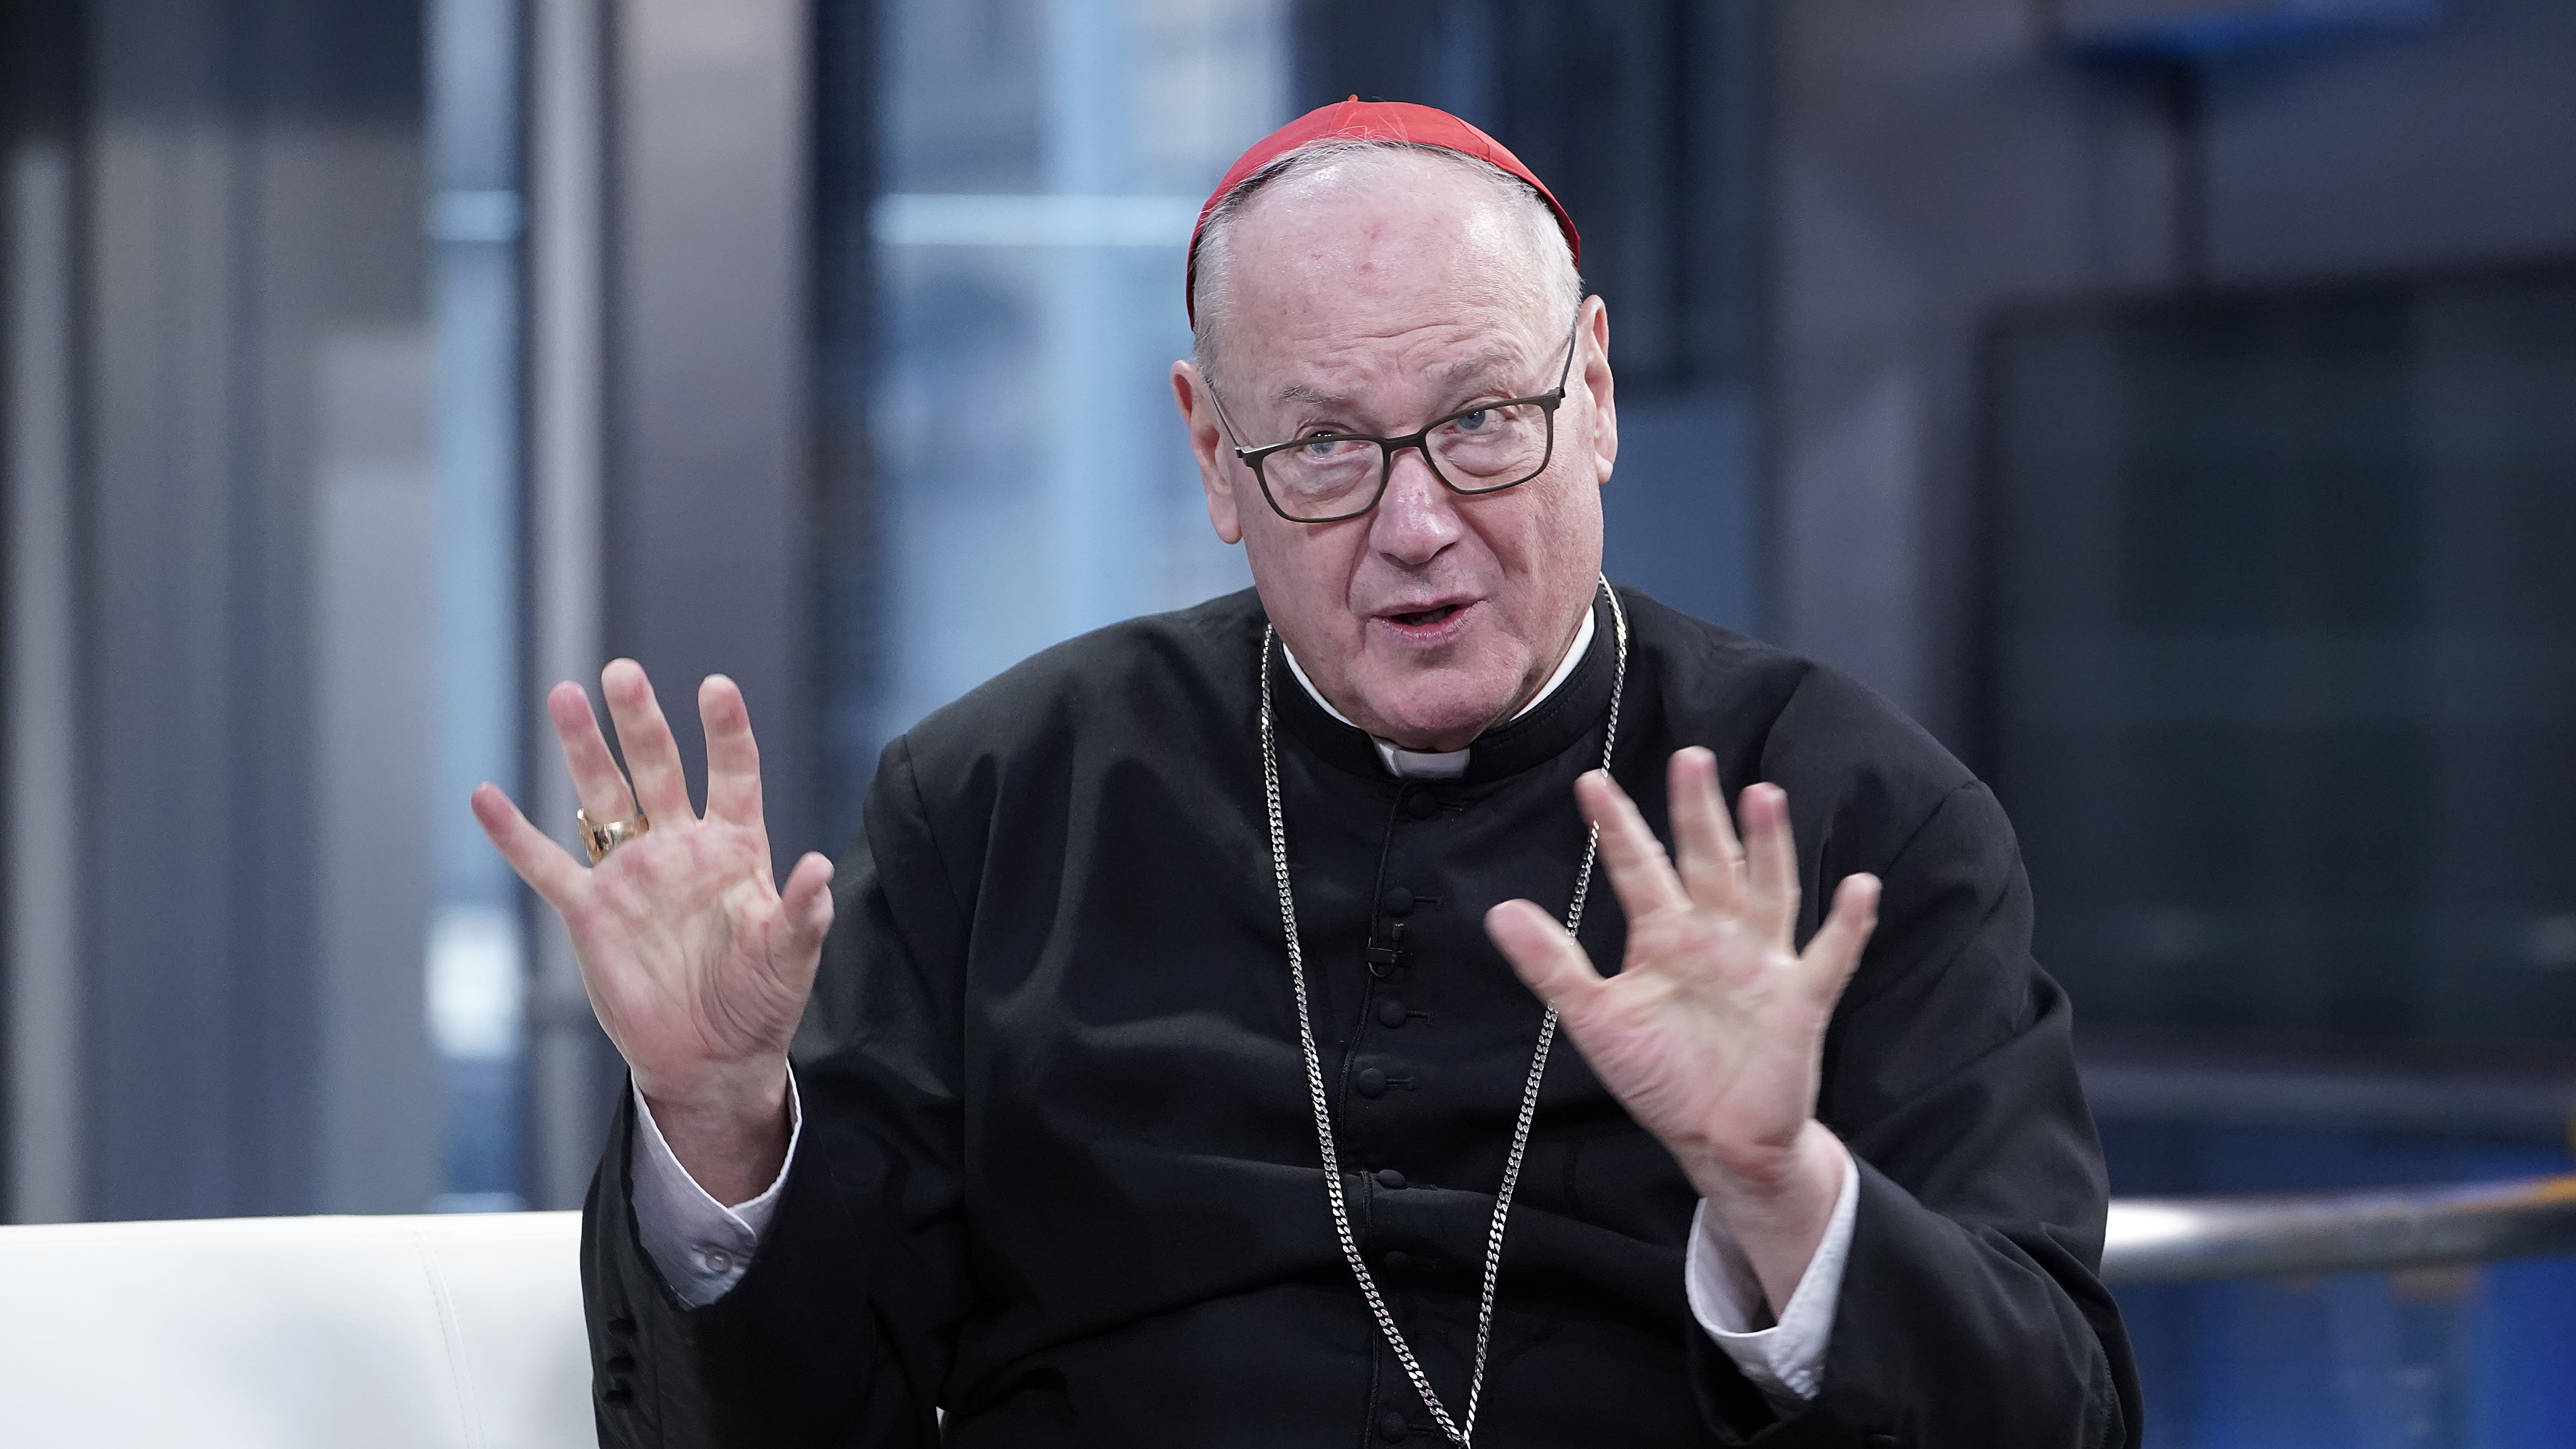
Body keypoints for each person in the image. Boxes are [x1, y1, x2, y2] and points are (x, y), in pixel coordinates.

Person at [474, 100, 2138, 1447]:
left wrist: (1786, 1190)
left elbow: (2061, 1413)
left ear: (1600, 393)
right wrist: (720, 1122)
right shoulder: (998, 797)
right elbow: (787, 1425)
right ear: (1213, 453)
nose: (1417, 524)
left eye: (1485, 418)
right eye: (1328, 446)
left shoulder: (1847, 807)